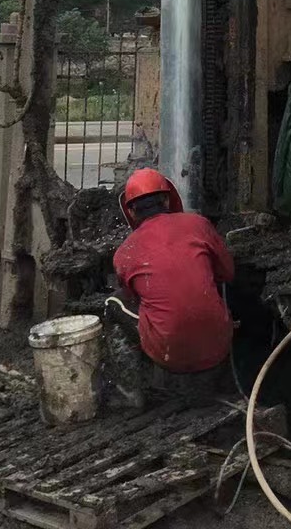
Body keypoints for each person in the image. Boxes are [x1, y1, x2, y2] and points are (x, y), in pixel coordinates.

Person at [103, 168, 235, 411]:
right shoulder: (198, 224)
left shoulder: (125, 252)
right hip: (219, 345)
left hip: (169, 353)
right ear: (167, 199)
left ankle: (130, 392)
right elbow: (227, 273)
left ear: (131, 211)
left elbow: (136, 297)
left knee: (113, 304)